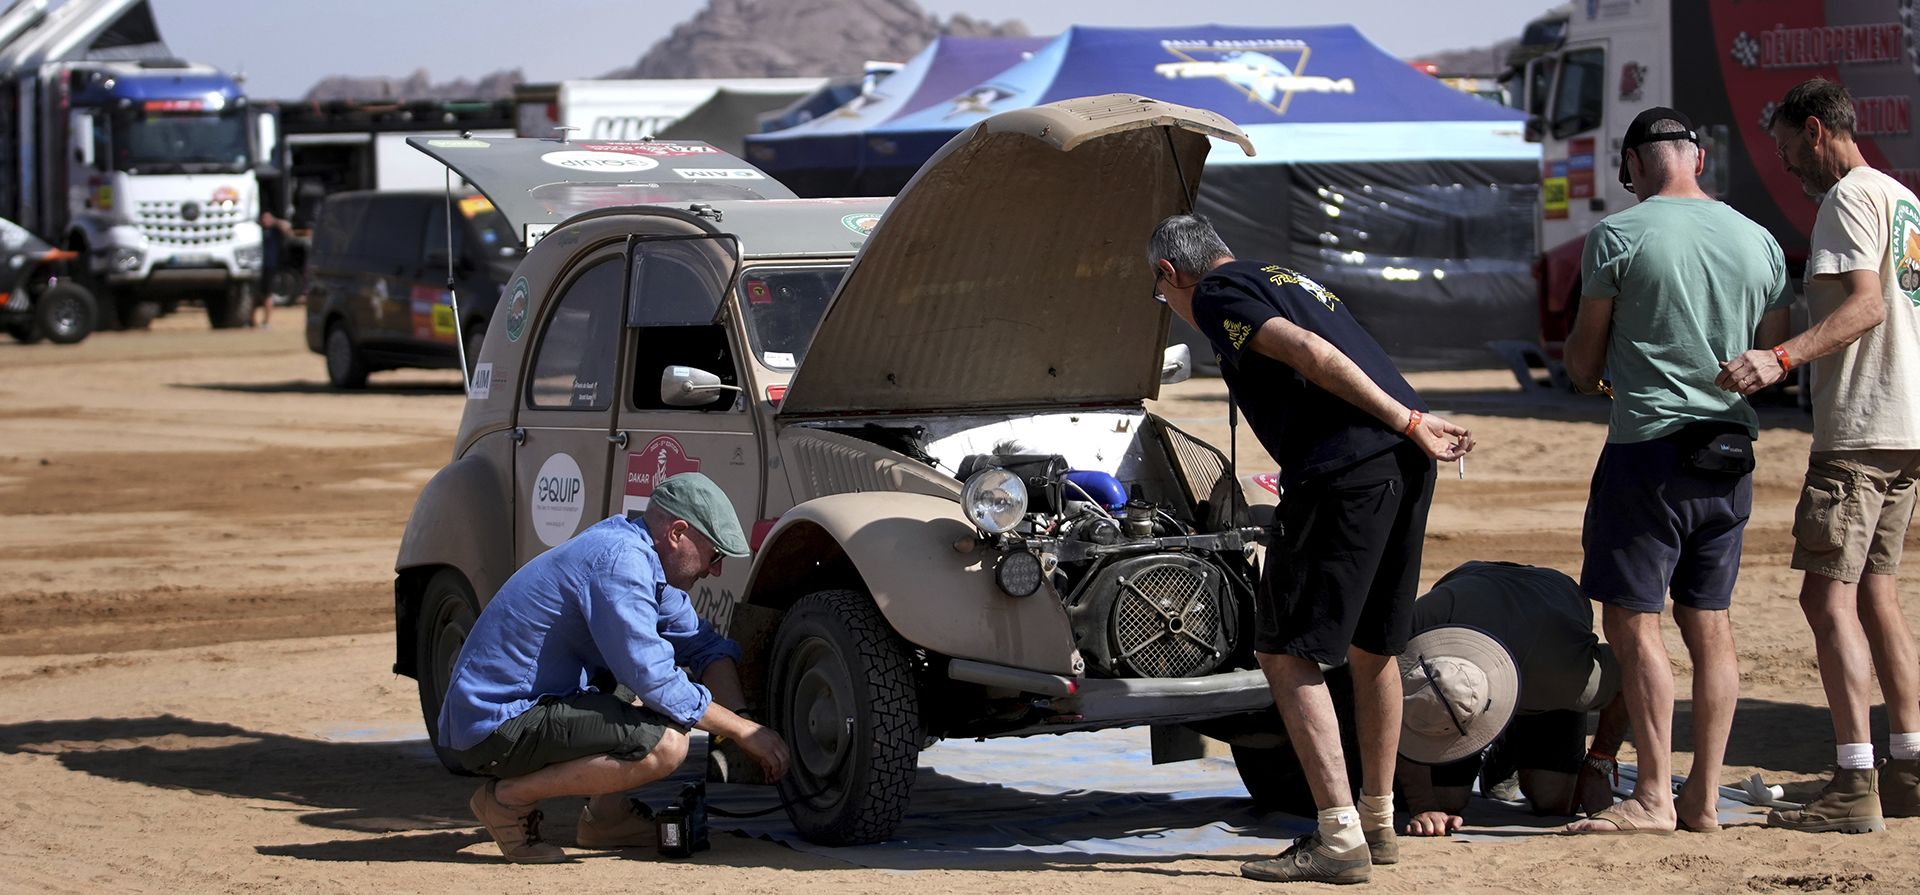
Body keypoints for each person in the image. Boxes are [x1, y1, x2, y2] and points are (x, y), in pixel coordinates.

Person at [1146, 214, 1474, 884]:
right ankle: (1376, 819)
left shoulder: (1214, 293)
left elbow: (1310, 355)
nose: (1173, 309)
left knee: (1285, 650)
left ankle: (1338, 836)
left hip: (1349, 468)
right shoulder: (1283, 276)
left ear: (1170, 275)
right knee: (1373, 645)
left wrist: (1408, 418)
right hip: (1402, 463)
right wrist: (1410, 423)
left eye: (1162, 297)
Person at [1561, 107, 1792, 835]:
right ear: (1697, 157)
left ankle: (1655, 793)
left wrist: (1605, 373)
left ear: (1632, 162)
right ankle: (1702, 795)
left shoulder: (1619, 235)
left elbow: (1582, 362)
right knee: (1712, 625)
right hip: (1729, 456)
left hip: (1649, 451)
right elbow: (1771, 360)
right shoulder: (1758, 239)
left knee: (1633, 621)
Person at [1719, 77, 1920, 834]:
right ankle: (1908, 765)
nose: (1785, 167)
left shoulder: (1846, 200)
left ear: (1814, 131)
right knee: (1878, 591)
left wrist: (1782, 356)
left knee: (1824, 598)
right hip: (1907, 424)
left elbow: (1866, 304)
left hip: (1863, 428)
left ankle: (1856, 778)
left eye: (1783, 149)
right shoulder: (1901, 198)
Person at [438, 472, 791, 862]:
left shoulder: (642, 557)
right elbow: (657, 682)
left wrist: (741, 722)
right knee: (666, 744)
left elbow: (705, 647)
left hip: (521, 706)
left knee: (635, 693)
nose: (715, 570)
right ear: (677, 532)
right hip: (494, 724)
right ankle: (506, 801)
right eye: (715, 555)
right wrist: (744, 732)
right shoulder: (620, 563)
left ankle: (607, 819)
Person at [1396, 561, 1627, 836]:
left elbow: (1629, 678)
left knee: (1555, 801)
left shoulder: (1566, 677)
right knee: (1447, 802)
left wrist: (1598, 762)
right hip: (1470, 583)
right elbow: (1385, 700)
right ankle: (1501, 749)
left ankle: (1506, 751)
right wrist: (1422, 805)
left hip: (1552, 604)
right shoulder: (1419, 627)